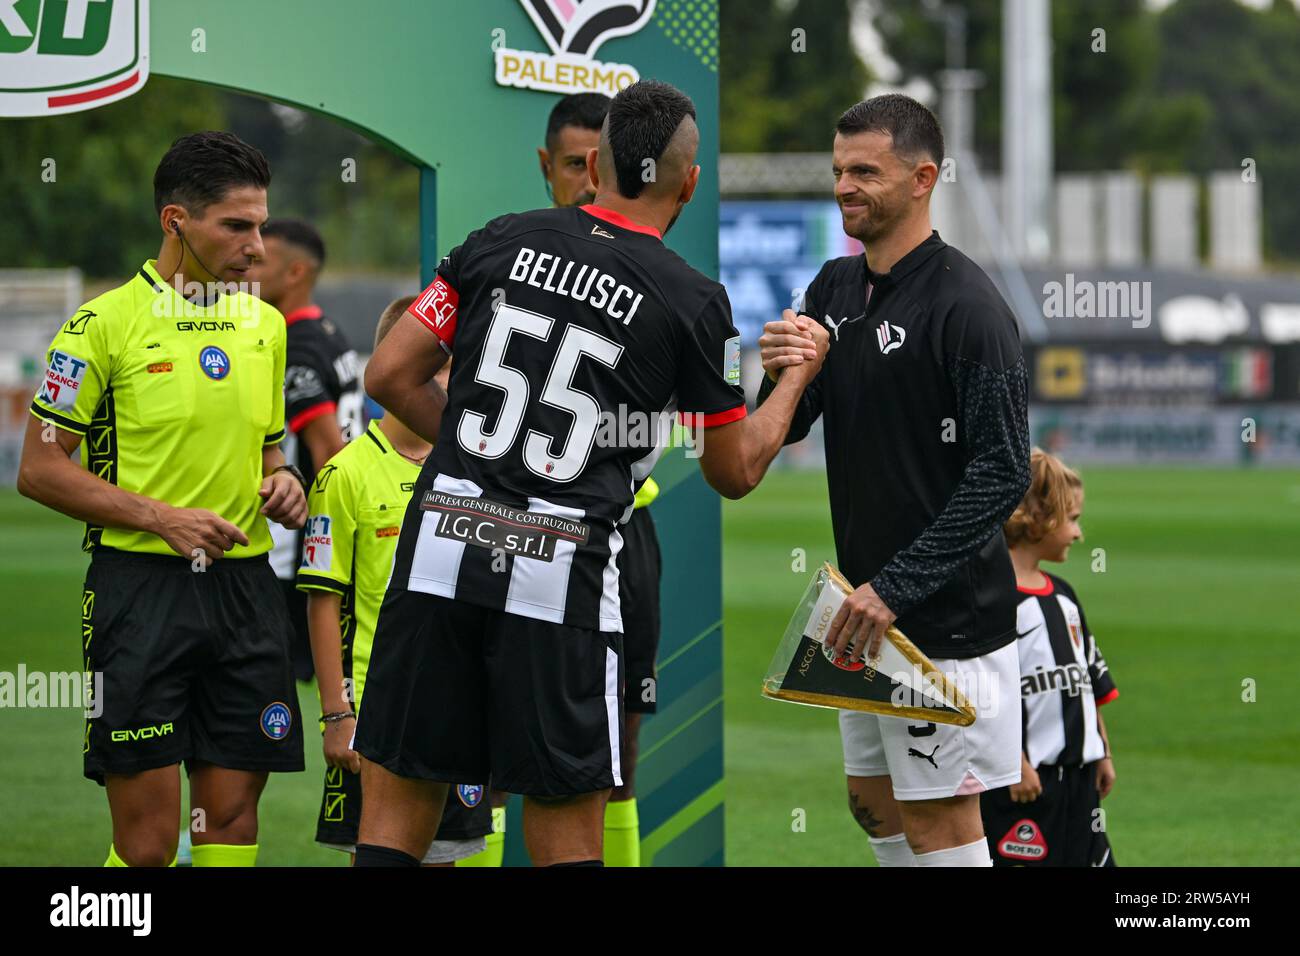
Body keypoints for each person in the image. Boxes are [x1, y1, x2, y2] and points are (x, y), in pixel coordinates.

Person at [353, 79, 828, 867]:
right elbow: (734, 471)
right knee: (566, 817)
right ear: (689, 182)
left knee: (400, 815)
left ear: (595, 165)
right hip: (559, 572)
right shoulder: (694, 301)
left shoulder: (498, 239)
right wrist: (796, 379)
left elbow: (389, 375)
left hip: (441, 546)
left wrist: (480, 456)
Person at [16, 131, 306, 867]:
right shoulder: (99, 327)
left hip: (246, 592)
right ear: (176, 221)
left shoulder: (265, 328)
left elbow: (270, 451)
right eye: (236, 227)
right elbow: (40, 471)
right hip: (139, 594)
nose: (258, 247)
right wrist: (160, 517)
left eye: (262, 225)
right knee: (146, 848)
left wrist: (285, 482)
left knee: (231, 825)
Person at [757, 94, 1031, 867]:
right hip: (866, 616)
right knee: (873, 809)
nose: (845, 186)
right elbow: (791, 418)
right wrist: (782, 371)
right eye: (839, 170)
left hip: (942, 627)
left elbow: (1004, 469)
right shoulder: (833, 289)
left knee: (940, 827)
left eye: (865, 172)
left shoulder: (968, 306)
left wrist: (895, 586)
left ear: (922, 178)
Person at [297, 295, 491, 866]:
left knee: (446, 855)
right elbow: (321, 600)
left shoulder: (473, 466)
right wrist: (337, 714)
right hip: (375, 709)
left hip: (457, 697)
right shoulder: (344, 473)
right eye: (453, 366)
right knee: (382, 853)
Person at [981, 448, 1118, 866]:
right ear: (1036, 517)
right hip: (1026, 782)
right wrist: (1015, 762)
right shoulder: (994, 601)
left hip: (1079, 781)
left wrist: (1103, 751)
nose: (1078, 534)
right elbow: (988, 694)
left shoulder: (1065, 597)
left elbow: (1089, 681)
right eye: (1072, 519)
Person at [246, 218, 362, 682]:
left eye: (262, 259)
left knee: (268, 692)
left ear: (295, 272)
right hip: (326, 542)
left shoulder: (295, 345)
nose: (249, 266)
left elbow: (329, 452)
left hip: (293, 552)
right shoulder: (329, 333)